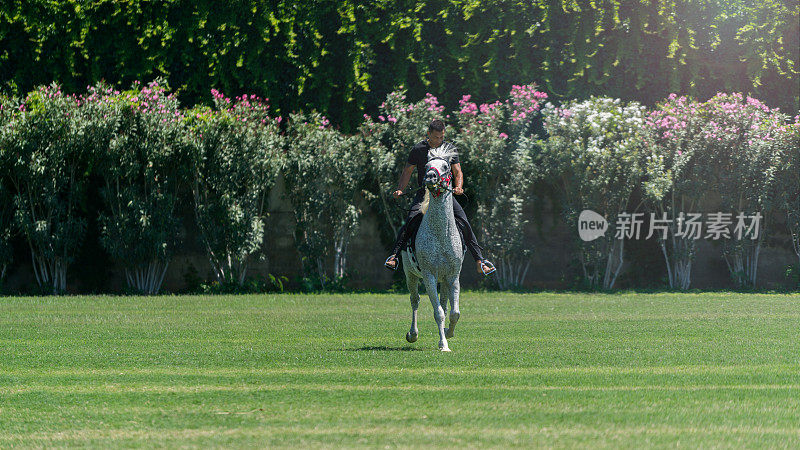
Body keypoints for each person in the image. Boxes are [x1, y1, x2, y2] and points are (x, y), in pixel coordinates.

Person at [384, 119, 496, 276]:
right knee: (411, 220)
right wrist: (400, 190)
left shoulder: (449, 149)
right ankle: (394, 256)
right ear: (428, 134)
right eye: (436, 137)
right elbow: (407, 171)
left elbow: (458, 172)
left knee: (463, 221)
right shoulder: (418, 149)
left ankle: (480, 261)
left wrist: (458, 186)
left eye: (442, 137)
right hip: (424, 195)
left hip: (444, 196)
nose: (439, 141)